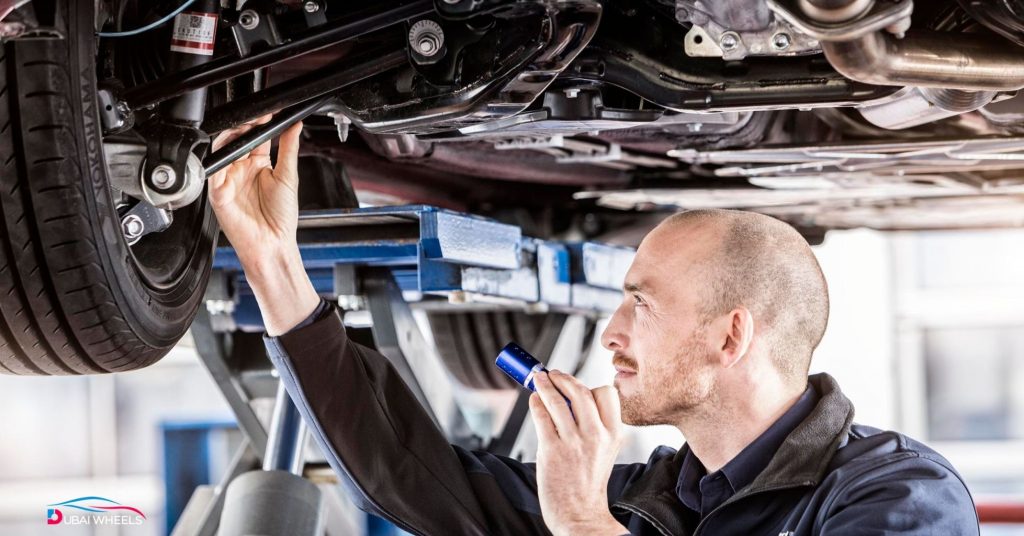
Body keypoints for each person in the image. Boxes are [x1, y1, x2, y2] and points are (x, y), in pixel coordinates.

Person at [208, 119, 980, 535]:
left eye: (640, 304)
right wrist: (274, 260)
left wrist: (580, 521)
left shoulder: (900, 499)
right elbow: (406, 473)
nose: (611, 334)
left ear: (731, 336)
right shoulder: (657, 500)